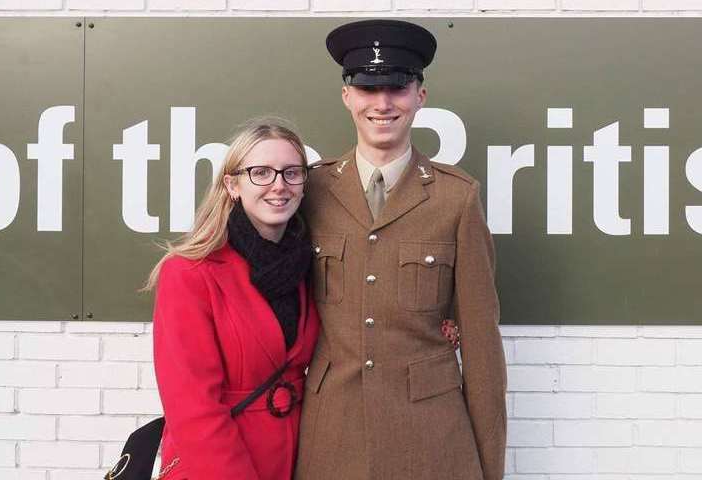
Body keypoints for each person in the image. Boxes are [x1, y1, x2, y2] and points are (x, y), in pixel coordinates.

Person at [295, 20, 507, 480]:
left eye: (397, 87)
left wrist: (490, 465)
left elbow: (481, 343)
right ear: (347, 96)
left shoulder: (457, 197)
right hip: (331, 433)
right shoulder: (309, 190)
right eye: (368, 88)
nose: (383, 103)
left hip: (431, 435)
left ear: (420, 96)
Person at [146, 118, 320, 479]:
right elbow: (193, 408)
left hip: (296, 463)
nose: (278, 185)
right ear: (232, 185)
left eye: (291, 173)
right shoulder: (189, 273)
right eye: (260, 172)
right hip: (219, 466)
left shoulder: (308, 265)